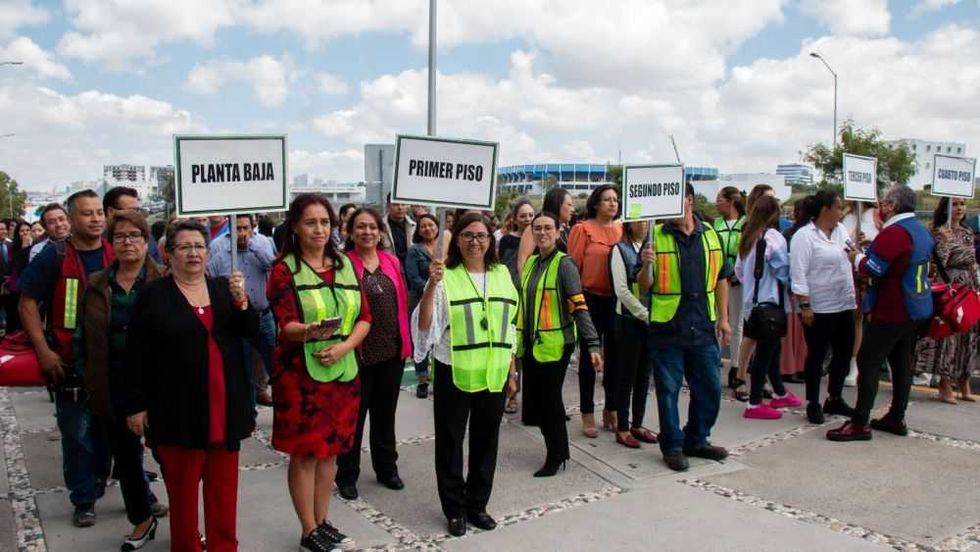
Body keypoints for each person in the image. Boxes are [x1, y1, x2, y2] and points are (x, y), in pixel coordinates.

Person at [118, 220, 256, 551]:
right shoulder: (154, 295)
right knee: (183, 495)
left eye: (199, 246)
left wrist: (242, 301)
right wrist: (135, 405)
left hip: (224, 409)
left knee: (224, 492)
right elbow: (135, 354)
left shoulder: (222, 288)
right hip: (177, 412)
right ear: (168, 253)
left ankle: (224, 546)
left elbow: (247, 330)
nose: (193, 253)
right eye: (184, 247)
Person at [267, 194, 370, 552]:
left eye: (325, 222)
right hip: (301, 378)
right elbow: (285, 325)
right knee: (306, 454)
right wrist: (311, 331)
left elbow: (364, 318)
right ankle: (308, 530)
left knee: (331, 452)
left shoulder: (345, 264)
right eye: (310, 223)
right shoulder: (284, 270)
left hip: (343, 372)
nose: (319, 229)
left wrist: (343, 347)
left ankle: (323, 522)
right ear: (295, 226)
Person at [415, 212, 519, 537]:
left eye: (482, 235)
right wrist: (431, 286)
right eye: (468, 235)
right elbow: (425, 324)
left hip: (493, 372)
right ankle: (454, 509)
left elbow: (509, 325)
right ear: (457, 240)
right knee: (450, 443)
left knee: (486, 442)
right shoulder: (446, 276)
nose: (475, 241)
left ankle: (477, 505)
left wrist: (512, 371)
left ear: (491, 240)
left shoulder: (502, 273)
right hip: (454, 370)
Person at [19, 190, 114, 528]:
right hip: (70, 363)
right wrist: (44, 352)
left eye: (99, 212)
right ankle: (83, 499)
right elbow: (27, 303)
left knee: (113, 433)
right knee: (76, 435)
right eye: (87, 213)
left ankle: (113, 483)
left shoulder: (115, 251)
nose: (96, 219)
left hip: (113, 362)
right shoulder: (54, 256)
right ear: (72, 219)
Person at [74, 210, 167, 550]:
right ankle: (141, 519)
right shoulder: (97, 283)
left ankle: (187, 522)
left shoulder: (165, 280)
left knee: (171, 457)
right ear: (111, 243)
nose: (127, 242)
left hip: (160, 384)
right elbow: (82, 336)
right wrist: (87, 374)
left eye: (134, 235)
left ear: (146, 240)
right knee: (126, 460)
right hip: (113, 383)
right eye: (119, 236)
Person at [828, 185, 934, 442]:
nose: (881, 207)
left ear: (893, 206)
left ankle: (860, 422)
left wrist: (856, 257)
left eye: (885, 202)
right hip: (916, 305)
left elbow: (873, 268)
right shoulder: (920, 230)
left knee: (868, 360)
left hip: (893, 307)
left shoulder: (895, 233)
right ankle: (897, 415)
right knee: (901, 362)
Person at [638, 184, 732, 472]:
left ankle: (697, 438)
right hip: (668, 327)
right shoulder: (655, 236)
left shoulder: (711, 234)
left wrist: (724, 318)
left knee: (710, 388)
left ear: (689, 200)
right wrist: (645, 266)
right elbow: (643, 286)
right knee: (668, 391)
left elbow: (721, 278)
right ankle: (673, 446)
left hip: (702, 325)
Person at [336, 208, 412, 500]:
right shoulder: (342, 263)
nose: (367, 232)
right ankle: (347, 474)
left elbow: (402, 301)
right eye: (360, 227)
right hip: (358, 353)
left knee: (385, 415)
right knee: (353, 418)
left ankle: (386, 468)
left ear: (380, 232)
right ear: (350, 232)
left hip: (391, 351)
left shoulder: (391, 261)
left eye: (372, 227)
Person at [518, 211, 601, 474]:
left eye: (547, 228)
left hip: (556, 344)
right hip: (532, 344)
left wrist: (593, 343)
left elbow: (579, 305)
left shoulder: (564, 264)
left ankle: (556, 455)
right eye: (537, 228)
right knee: (538, 403)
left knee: (550, 401)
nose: (542, 233)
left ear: (557, 232)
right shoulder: (531, 262)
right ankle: (558, 450)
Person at [790, 190, 857, 424]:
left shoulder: (840, 231)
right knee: (817, 355)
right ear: (825, 209)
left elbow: (851, 253)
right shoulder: (804, 236)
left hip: (844, 302)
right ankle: (813, 401)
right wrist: (805, 305)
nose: (841, 212)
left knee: (843, 353)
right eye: (838, 207)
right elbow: (798, 272)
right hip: (819, 306)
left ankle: (835, 396)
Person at [735, 195, 799, 420]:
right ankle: (754, 403)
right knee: (764, 354)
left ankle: (779, 391)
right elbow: (783, 270)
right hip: (770, 302)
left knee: (771, 349)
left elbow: (739, 271)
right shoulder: (773, 237)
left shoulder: (747, 238)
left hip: (752, 303)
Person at [567, 185, 622, 437]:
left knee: (616, 356)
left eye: (615, 200)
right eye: (607, 199)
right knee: (590, 358)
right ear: (596, 204)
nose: (612, 204)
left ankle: (611, 407)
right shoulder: (583, 229)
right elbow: (573, 268)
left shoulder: (622, 230)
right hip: (589, 299)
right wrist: (574, 302)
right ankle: (587, 412)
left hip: (617, 300)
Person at [208, 214, 277, 408]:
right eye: (237, 228)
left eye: (246, 228)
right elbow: (211, 281)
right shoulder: (219, 250)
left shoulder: (262, 243)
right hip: (237, 320)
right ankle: (249, 412)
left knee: (276, 364)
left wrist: (253, 246)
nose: (242, 233)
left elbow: (273, 266)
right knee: (244, 369)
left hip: (263, 316)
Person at [913, 197, 978, 403]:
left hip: (968, 285)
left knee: (969, 335)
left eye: (962, 204)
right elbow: (937, 261)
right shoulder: (938, 231)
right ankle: (944, 383)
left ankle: (964, 380)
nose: (959, 208)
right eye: (955, 204)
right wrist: (945, 242)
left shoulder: (967, 232)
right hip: (949, 285)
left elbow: (972, 261)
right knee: (948, 337)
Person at [609, 219, 658, 448]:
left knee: (644, 375)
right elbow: (621, 289)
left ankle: (637, 423)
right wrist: (644, 314)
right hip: (629, 320)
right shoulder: (620, 250)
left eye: (647, 221)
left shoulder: (651, 247)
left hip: (650, 320)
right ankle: (623, 427)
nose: (644, 225)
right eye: (639, 221)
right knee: (626, 376)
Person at [841, 201, 883, 387]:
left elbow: (885, 244)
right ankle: (853, 365)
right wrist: (852, 239)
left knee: (873, 320)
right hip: (848, 271)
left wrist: (870, 243)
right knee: (854, 319)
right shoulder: (846, 216)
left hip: (870, 273)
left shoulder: (878, 217)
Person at [714, 187, 747, 393]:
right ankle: (714, 364)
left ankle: (735, 367)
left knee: (736, 324)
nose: (716, 203)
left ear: (731, 202)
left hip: (737, 280)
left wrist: (736, 272)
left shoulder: (745, 223)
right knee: (717, 322)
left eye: (719, 199)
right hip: (718, 279)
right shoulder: (716, 224)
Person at [405, 213, 439, 398]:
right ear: (418, 230)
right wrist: (430, 289)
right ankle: (422, 380)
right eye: (423, 226)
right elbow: (412, 276)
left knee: (439, 338)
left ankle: (439, 377)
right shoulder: (414, 250)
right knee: (421, 339)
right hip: (419, 299)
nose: (428, 228)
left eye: (431, 224)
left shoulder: (443, 248)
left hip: (441, 300)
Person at [517, 187, 574, 272]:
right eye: (569, 205)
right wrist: (525, 279)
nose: (572, 209)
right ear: (557, 204)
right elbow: (523, 259)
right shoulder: (534, 228)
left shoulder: (567, 230)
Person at [103, 186, 161, 263]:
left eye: (137, 210)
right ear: (110, 212)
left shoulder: (148, 239)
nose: (135, 215)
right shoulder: (97, 242)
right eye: (130, 211)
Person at [3, 220, 32, 333]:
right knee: (13, 315)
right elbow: (17, 265)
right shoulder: (12, 247)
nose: (25, 233)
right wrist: (23, 248)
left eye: (27, 230)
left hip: (29, 286)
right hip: (15, 286)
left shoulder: (36, 246)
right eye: (22, 231)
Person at [499, 199, 534, 281]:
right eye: (522, 216)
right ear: (515, 220)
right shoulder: (506, 240)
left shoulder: (539, 239)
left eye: (531, 215)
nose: (528, 219)